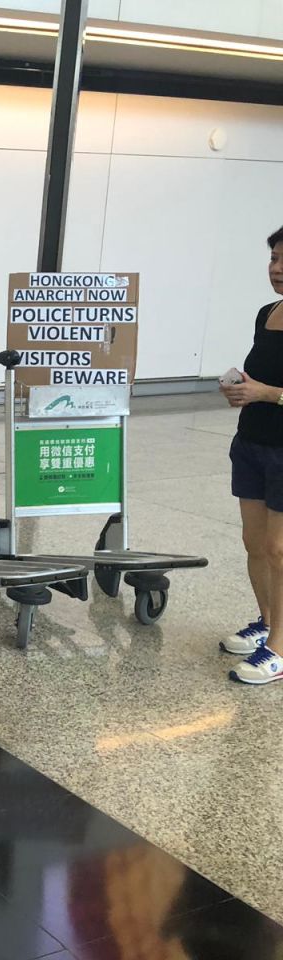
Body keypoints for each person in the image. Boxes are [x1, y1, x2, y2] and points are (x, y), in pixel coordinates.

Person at [221, 224, 283, 685]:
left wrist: (268, 394)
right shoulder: (267, 313)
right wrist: (242, 390)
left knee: (280, 549)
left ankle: (280, 647)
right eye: (273, 259)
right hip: (252, 443)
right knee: (254, 543)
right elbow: (259, 377)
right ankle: (266, 623)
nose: (276, 269)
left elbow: (271, 389)